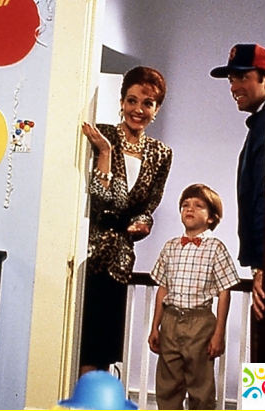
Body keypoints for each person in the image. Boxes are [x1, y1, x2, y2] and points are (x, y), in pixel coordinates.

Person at [80, 66, 173, 376]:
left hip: (120, 260)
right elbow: (101, 199)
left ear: (156, 110)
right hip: (89, 255)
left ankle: (97, 401)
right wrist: (105, 153)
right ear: (121, 102)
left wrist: (144, 223)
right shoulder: (102, 136)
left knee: (105, 350)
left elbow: (150, 203)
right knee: (84, 347)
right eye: (132, 100)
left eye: (147, 103)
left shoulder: (161, 154)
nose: (138, 110)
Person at [148, 183, 240, 410]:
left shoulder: (216, 248)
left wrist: (219, 333)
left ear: (211, 217)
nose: (190, 209)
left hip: (200, 323)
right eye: (186, 205)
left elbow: (224, 291)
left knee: (200, 386)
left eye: (199, 206)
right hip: (170, 320)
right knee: (168, 385)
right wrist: (155, 327)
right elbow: (163, 289)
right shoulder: (170, 247)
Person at [210, 43, 265, 321]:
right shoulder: (260, 124)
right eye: (231, 79)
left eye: (243, 77)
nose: (234, 87)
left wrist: (262, 265)